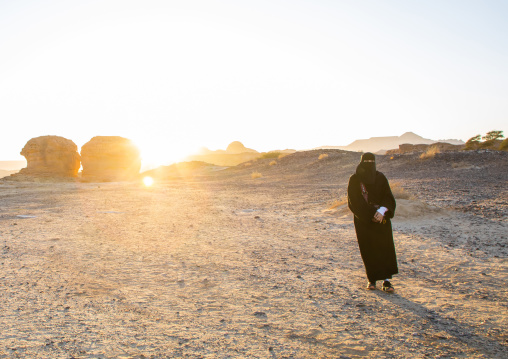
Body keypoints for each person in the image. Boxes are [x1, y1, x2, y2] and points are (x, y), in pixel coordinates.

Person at [347, 153, 398, 292]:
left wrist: (382, 211)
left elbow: (388, 197)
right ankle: (372, 279)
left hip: (382, 219)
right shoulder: (354, 179)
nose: (370, 165)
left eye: (372, 162)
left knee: (384, 248)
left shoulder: (380, 177)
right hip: (364, 221)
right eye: (367, 162)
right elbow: (354, 202)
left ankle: (387, 281)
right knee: (368, 249)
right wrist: (371, 215)